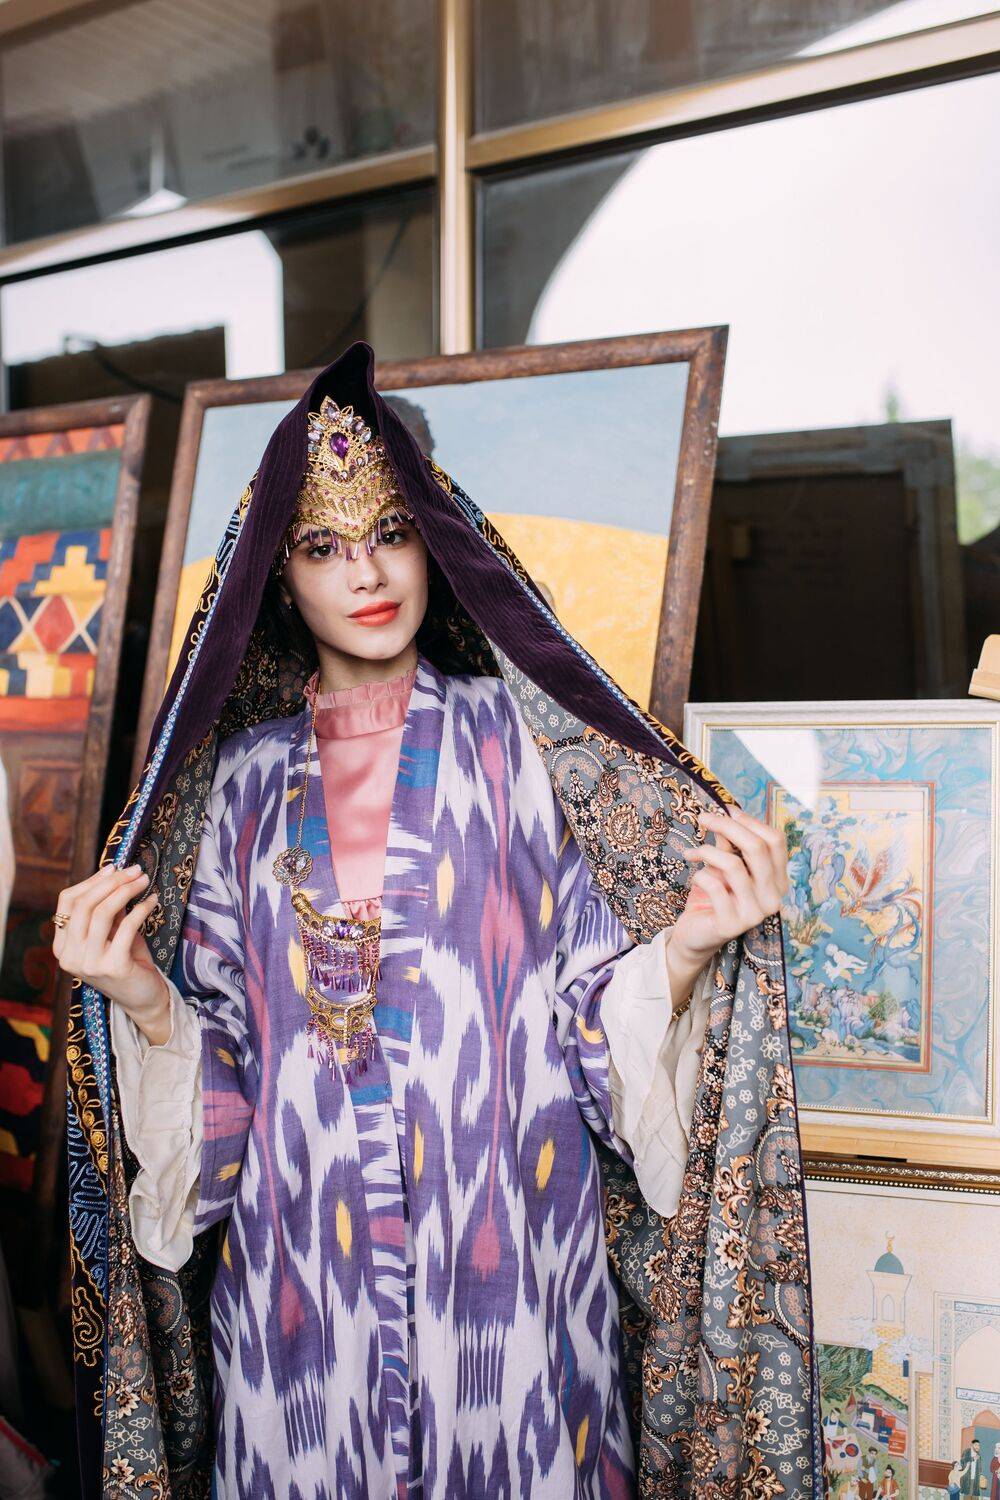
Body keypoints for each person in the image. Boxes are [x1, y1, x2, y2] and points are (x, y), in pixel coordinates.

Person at [57, 342, 820, 1497]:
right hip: (300, 1310)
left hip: (510, 1296)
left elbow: (587, 1018)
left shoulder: (522, 745)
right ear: (277, 577)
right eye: (322, 546)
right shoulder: (240, 788)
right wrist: (139, 994)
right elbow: (225, 1083)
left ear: (438, 541)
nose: (367, 571)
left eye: (392, 532)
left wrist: (690, 943)